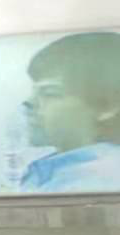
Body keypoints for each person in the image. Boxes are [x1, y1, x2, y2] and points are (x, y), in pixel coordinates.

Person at [19, 31, 120, 193]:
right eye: (34, 93)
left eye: (49, 93)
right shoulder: (59, 173)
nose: (28, 103)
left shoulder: (93, 183)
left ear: (106, 106)